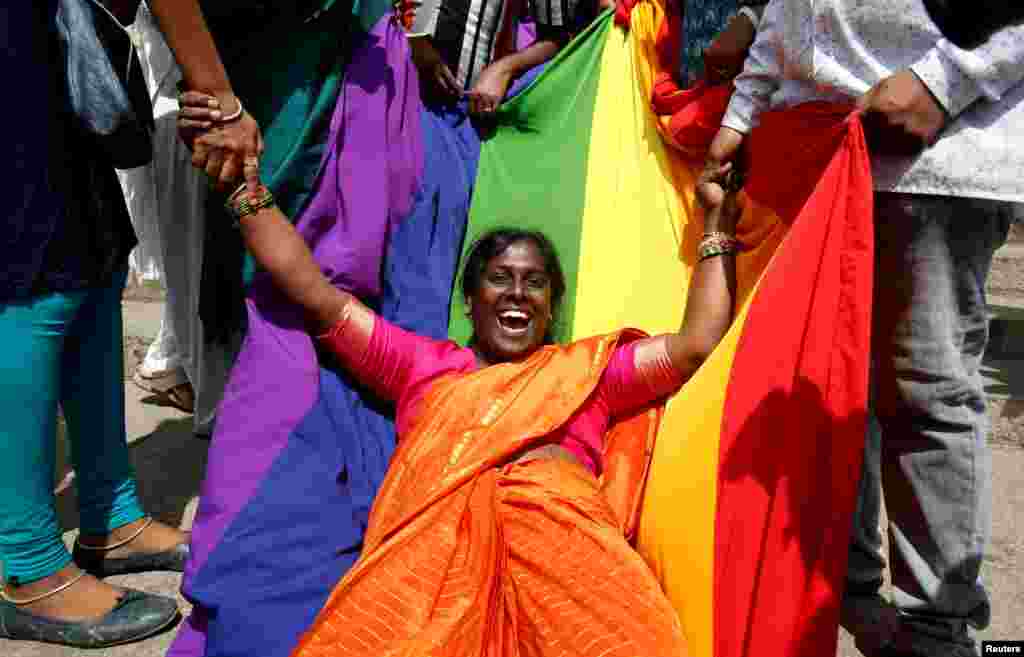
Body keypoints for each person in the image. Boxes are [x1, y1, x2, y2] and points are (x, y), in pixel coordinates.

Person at [209, 137, 742, 652]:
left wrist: (717, 223)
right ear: (470, 298)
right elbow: (316, 296)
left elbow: (694, 347)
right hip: (430, 576)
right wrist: (244, 190)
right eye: (500, 278)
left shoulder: (588, 372)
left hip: (567, 563)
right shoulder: (425, 366)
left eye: (534, 282)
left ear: (551, 304)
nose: (516, 293)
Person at [705, 1, 1023, 655]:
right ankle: (844, 589)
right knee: (813, 383)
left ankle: (936, 629)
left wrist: (946, 79)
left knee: (923, 389)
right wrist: (744, 110)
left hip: (936, 150)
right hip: (809, 147)